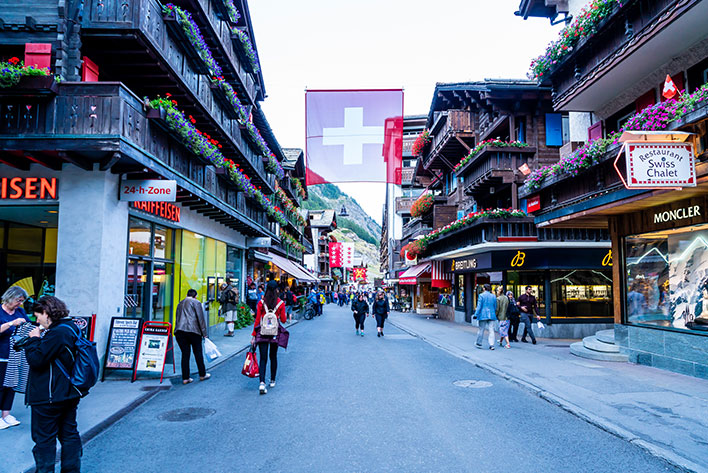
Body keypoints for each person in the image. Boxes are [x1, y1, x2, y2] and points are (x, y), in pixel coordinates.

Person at [24, 296, 82, 473]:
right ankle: (71, 470)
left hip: (49, 396)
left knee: (44, 439)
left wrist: (33, 339)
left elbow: (36, 360)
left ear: (46, 312)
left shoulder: (57, 333)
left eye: (38, 316)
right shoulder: (72, 327)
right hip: (69, 392)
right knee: (69, 434)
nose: (36, 321)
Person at [0, 286, 29, 429]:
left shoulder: (20, 312)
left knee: (10, 385)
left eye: (22, 301)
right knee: (0, 386)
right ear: (10, 297)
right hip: (1, 355)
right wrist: (11, 323)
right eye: (19, 300)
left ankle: (6, 414)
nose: (20, 304)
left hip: (15, 355)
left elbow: (29, 326)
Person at [251, 281, 287, 394]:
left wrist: (253, 336)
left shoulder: (261, 302)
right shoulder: (280, 303)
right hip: (274, 333)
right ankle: (272, 380)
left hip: (262, 332)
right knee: (273, 357)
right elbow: (284, 320)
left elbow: (257, 320)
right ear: (276, 290)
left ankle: (262, 383)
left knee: (263, 358)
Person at [175, 289, 210, 384]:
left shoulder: (180, 303)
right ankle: (202, 374)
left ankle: (185, 378)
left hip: (180, 331)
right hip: (193, 331)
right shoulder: (196, 302)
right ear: (195, 296)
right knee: (198, 353)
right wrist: (204, 333)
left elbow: (177, 318)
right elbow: (200, 318)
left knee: (185, 354)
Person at [474, 284, 497, 350]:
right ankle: (492, 345)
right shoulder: (493, 296)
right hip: (492, 315)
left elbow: (479, 306)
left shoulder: (481, 295)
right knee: (491, 330)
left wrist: (476, 314)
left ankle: (479, 343)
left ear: (484, 288)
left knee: (481, 329)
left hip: (483, 315)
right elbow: (495, 306)